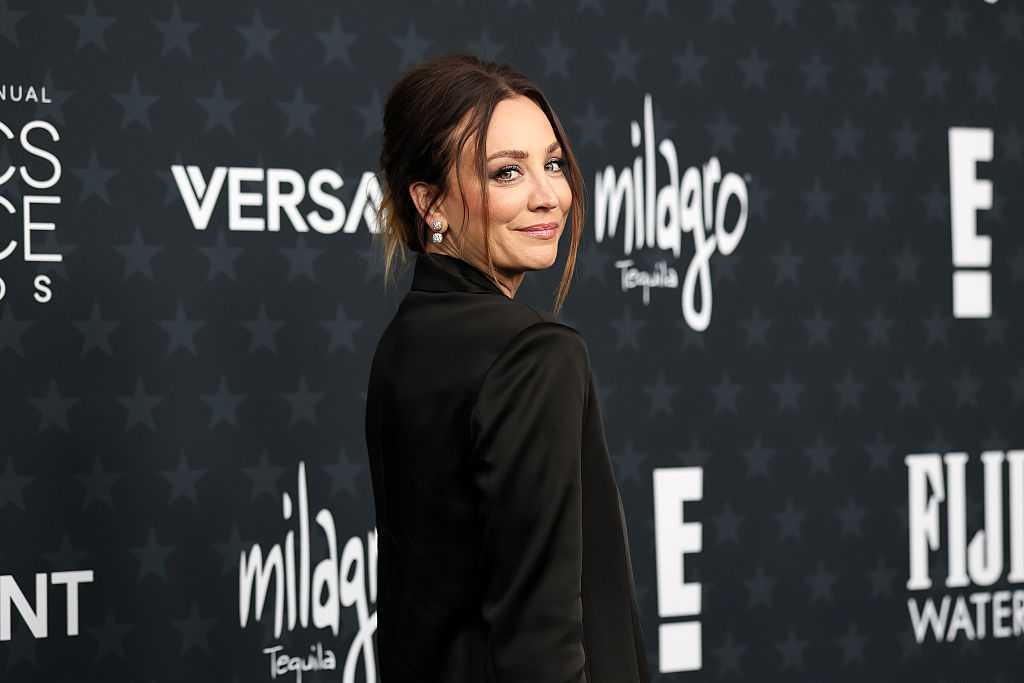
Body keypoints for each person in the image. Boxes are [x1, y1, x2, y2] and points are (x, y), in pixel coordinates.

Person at [365, 53, 650, 683]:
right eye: (506, 173)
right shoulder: (534, 352)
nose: (549, 195)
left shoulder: (404, 341)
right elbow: (541, 637)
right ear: (430, 201)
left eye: (551, 164)